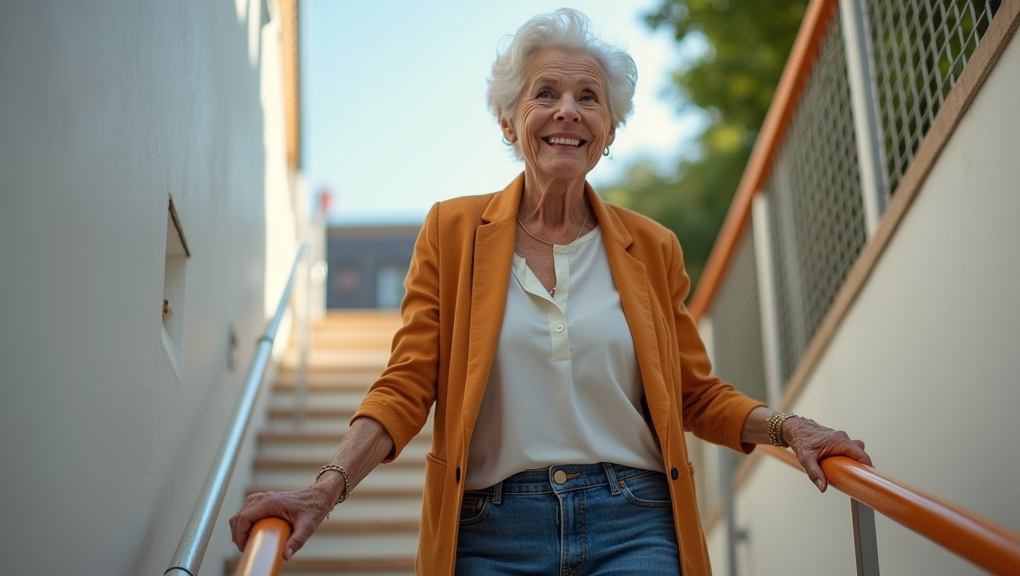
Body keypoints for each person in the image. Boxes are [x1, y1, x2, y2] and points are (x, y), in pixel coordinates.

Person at [230, 8, 872, 575]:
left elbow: (693, 394)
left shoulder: (652, 247)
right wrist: (323, 491)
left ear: (610, 130)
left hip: (635, 522)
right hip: (490, 530)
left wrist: (791, 429)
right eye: (546, 94)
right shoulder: (452, 232)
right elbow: (406, 384)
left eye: (589, 97)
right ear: (510, 123)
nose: (568, 109)